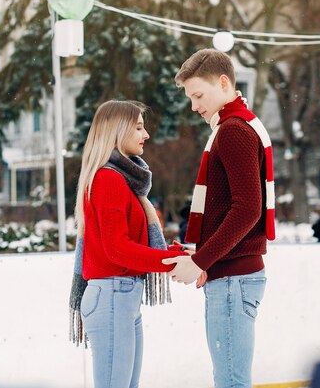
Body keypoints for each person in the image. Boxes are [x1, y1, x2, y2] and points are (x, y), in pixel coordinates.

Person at [163, 49, 276, 388]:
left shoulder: (233, 131)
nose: (194, 106)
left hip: (232, 278)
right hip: (233, 275)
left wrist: (201, 260)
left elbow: (246, 209)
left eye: (198, 95)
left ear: (223, 82)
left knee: (230, 381)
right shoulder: (238, 126)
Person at [68, 100, 188, 388]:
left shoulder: (121, 181)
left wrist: (177, 254)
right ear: (117, 130)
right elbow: (117, 249)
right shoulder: (109, 179)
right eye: (137, 127)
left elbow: (129, 243)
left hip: (122, 297)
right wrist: (169, 262)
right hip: (112, 296)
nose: (145, 134)